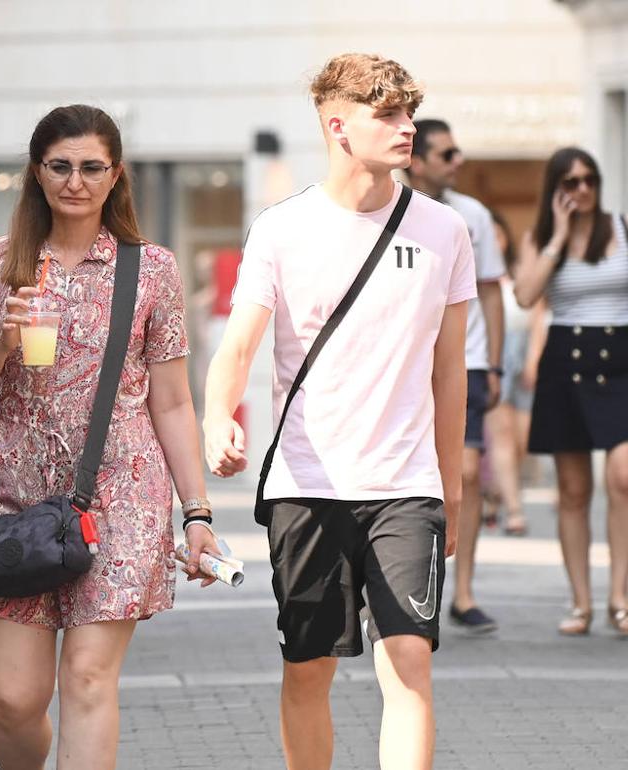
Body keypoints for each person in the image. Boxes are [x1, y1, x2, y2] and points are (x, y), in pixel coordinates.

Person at [203, 54, 473, 770]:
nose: (406, 127)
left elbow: (452, 375)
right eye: (387, 114)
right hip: (307, 485)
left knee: (410, 660)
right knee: (308, 667)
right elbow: (235, 349)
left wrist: (456, 492)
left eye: (409, 113)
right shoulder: (282, 229)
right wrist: (215, 418)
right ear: (338, 126)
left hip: (404, 486)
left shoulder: (445, 232)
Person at [0, 103, 216, 769]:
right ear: (37, 173)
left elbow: (174, 402)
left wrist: (198, 513)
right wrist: (3, 345)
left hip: (121, 497)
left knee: (90, 679)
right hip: (21, 503)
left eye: (92, 167)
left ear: (115, 174)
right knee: (14, 701)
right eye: (60, 166)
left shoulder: (150, 269)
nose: (75, 181)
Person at [514, 147, 628, 637]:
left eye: (589, 180)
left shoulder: (621, 227)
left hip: (620, 362)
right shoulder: (539, 237)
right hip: (566, 364)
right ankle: (581, 603)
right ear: (556, 189)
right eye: (571, 182)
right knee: (574, 492)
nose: (582, 189)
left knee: (624, 477)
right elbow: (524, 295)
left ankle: (620, 597)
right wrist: (557, 239)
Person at [408, 118, 506, 634]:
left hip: (465, 361)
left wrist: (495, 362)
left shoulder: (473, 217)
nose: (457, 162)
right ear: (417, 162)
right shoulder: (389, 213)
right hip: (404, 364)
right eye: (447, 154)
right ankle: (399, 580)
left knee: (465, 471)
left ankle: (462, 591)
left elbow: (491, 290)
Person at [483, 210, 543, 536]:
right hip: (497, 352)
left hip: (524, 351)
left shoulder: (519, 270)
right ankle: (515, 510)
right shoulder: (474, 274)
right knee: (502, 434)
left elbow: (538, 313)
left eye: (498, 234)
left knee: (524, 439)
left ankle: (497, 490)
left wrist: (534, 358)